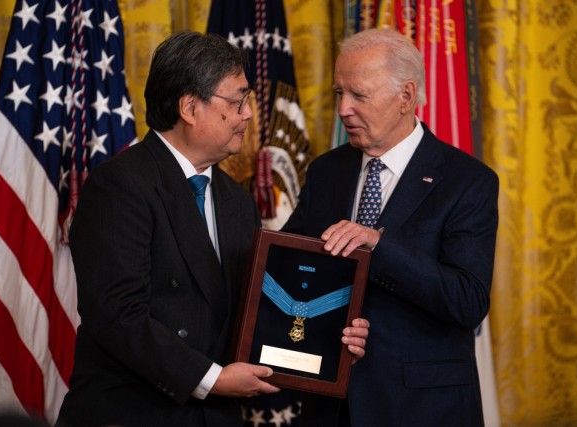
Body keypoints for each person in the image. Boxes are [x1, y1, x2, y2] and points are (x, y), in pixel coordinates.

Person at [55, 31, 369, 427]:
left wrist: (330, 341)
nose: (248, 114)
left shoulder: (235, 199)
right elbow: (118, 316)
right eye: (237, 101)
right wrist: (212, 379)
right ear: (189, 107)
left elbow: (255, 310)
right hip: (134, 414)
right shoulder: (120, 185)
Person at [283, 28, 499, 427]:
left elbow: (467, 301)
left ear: (406, 96)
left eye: (359, 95)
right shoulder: (326, 171)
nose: (343, 109)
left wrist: (378, 246)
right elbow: (292, 268)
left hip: (422, 408)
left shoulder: (468, 181)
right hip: (331, 406)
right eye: (338, 94)